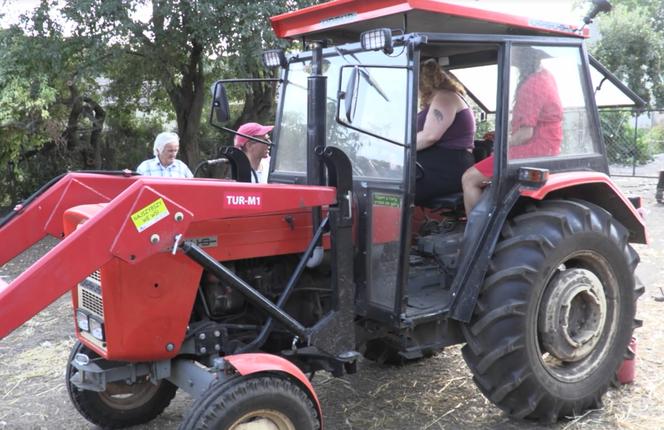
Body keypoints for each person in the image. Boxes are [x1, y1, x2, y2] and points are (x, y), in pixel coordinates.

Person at [462, 47, 563, 214]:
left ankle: (477, 232)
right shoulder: (545, 77)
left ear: (524, 61)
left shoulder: (531, 85)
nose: (513, 64)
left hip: (533, 149)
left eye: (515, 60)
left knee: (469, 178)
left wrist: (501, 142)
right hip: (548, 145)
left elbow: (525, 134)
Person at [415, 59, 476, 206]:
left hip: (448, 165)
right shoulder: (444, 97)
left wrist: (399, 149)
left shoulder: (444, 98)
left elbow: (430, 136)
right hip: (442, 162)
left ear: (422, 82)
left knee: (393, 189)